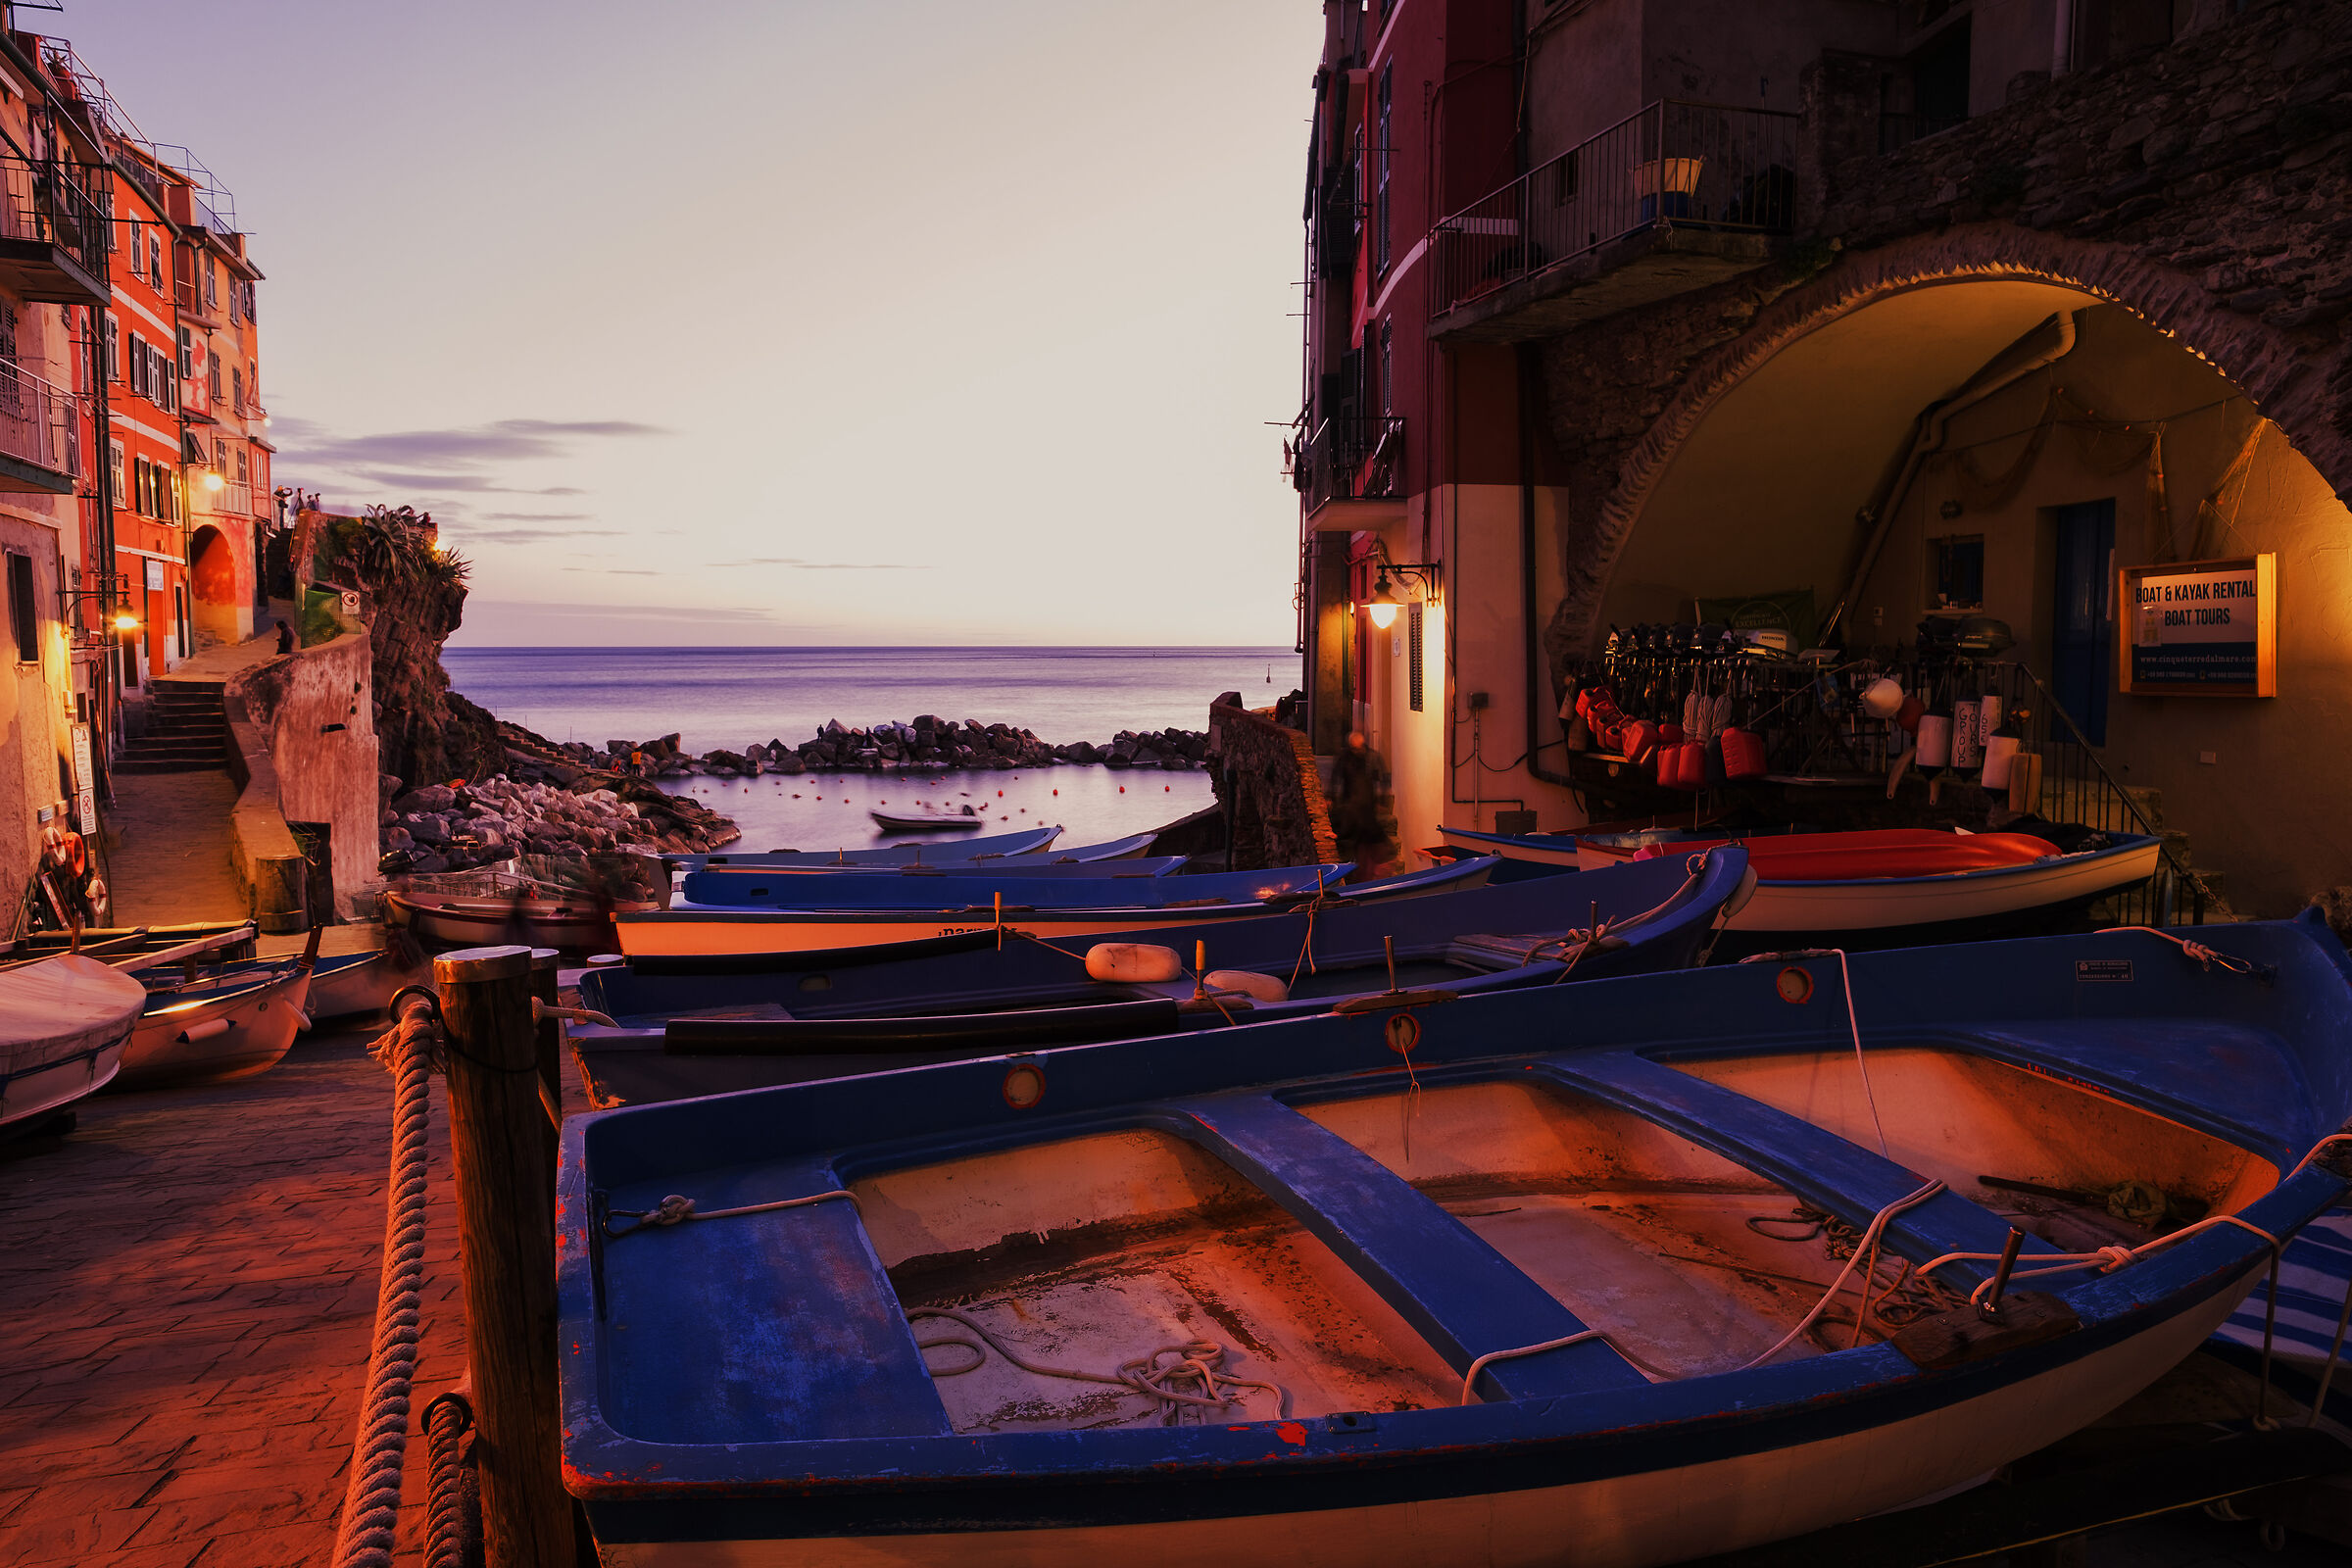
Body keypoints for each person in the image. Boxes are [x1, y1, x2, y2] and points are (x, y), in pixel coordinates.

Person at [1328, 729, 1396, 881]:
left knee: (1362, 838)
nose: (1357, 751)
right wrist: (1332, 798)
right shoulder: (1345, 758)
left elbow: (1382, 777)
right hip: (1352, 803)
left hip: (1365, 804)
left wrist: (1382, 800)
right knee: (1359, 838)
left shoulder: (1372, 757)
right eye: (1354, 749)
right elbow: (1336, 777)